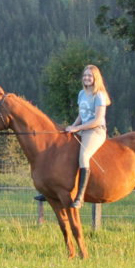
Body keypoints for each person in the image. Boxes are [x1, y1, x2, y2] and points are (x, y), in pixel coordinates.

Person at [34, 65, 110, 206]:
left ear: (95, 78)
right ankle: (52, 190)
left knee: (83, 156)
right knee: (61, 150)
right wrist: (73, 127)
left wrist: (77, 128)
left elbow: (97, 120)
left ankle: (80, 197)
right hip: (82, 129)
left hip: (95, 131)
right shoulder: (82, 93)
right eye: (85, 75)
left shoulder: (99, 95)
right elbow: (82, 115)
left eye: (89, 76)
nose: (86, 78)